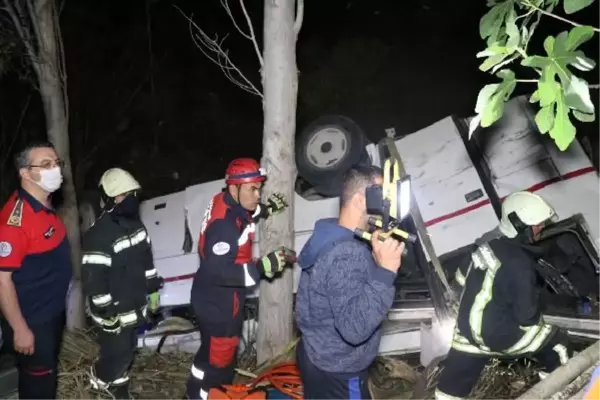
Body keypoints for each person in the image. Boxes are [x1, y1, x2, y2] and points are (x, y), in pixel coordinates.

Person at [436, 191, 573, 400]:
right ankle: (555, 393)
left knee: (448, 392)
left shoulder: (485, 248)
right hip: (500, 336)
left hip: (467, 333)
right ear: (520, 225)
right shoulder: (520, 264)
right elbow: (526, 317)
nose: (542, 227)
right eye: (537, 224)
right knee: (559, 346)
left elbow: (461, 278)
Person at [186, 158, 294, 400]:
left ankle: (193, 393)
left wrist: (267, 209)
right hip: (220, 305)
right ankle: (208, 395)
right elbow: (220, 272)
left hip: (208, 298)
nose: (258, 195)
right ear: (234, 188)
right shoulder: (223, 226)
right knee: (220, 366)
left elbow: (247, 214)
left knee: (207, 354)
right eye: (252, 189)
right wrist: (261, 267)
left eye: (259, 188)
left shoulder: (224, 201)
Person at [295, 165, 405, 400]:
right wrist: (385, 272)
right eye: (382, 196)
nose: (388, 203)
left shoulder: (329, 233)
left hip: (316, 353)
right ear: (359, 200)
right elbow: (354, 329)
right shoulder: (347, 253)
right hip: (340, 371)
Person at [82, 168, 163, 400]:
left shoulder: (136, 226)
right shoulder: (99, 236)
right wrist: (108, 316)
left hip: (134, 309)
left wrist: (153, 290)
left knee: (126, 355)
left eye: (132, 194)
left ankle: (120, 392)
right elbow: (94, 282)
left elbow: (147, 261)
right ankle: (96, 384)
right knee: (116, 356)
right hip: (113, 314)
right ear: (109, 200)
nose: (129, 200)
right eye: (122, 195)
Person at [0, 141, 72, 400]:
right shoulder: (14, 221)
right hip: (32, 321)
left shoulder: (43, 204)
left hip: (50, 314)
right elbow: (2, 280)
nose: (56, 169)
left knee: (45, 381)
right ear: (25, 173)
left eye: (56, 163)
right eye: (46, 164)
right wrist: (20, 328)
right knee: (38, 388)